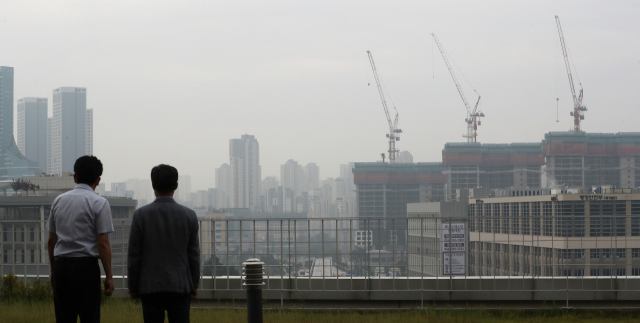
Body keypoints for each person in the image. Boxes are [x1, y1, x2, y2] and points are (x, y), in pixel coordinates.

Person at [128, 164, 200, 323]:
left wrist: (132, 285)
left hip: (150, 285)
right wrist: (194, 283)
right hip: (180, 284)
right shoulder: (189, 215)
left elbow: (134, 254)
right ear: (176, 186)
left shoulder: (140, 215)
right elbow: (193, 253)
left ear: (153, 185)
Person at [47, 155, 114, 323]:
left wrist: (53, 269)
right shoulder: (99, 203)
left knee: (63, 318)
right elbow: (103, 244)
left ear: (75, 177)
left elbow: (51, 241)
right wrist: (109, 276)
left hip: (62, 266)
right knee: (89, 317)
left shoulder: (58, 201)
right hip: (86, 268)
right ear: (98, 180)